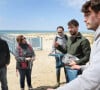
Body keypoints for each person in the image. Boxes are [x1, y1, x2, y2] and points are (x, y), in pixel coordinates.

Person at [47, 0, 100, 90]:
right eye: (68, 28)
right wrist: (58, 47)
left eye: (71, 27)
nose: (70, 29)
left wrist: (77, 63)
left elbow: (87, 58)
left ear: (77, 27)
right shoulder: (69, 39)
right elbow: (66, 51)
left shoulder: (84, 40)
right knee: (69, 83)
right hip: (69, 68)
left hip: (78, 73)